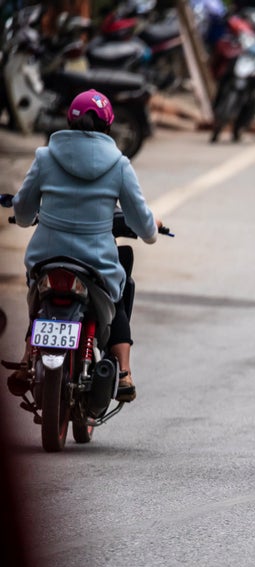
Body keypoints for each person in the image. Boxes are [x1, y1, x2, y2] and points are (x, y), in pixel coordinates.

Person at [7, 89, 161, 402]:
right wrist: (152, 232)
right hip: (96, 262)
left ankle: (26, 360)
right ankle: (124, 372)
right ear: (109, 126)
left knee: (39, 300)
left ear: (68, 120)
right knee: (120, 289)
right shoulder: (119, 165)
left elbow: (22, 212)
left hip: (46, 257)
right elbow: (142, 222)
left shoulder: (45, 158)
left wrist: (29, 216)